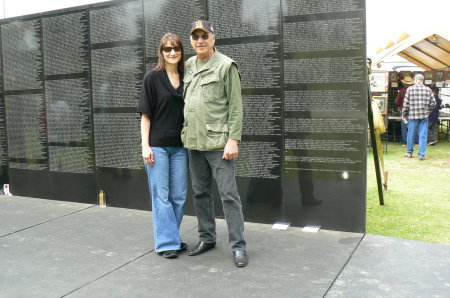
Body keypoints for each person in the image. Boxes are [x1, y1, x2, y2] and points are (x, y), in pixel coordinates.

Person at [182, 20, 248, 267]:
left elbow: (235, 106)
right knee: (200, 193)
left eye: (204, 36)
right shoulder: (188, 65)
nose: (200, 41)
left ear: (213, 39)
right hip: (194, 142)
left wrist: (233, 139)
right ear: (191, 40)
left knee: (229, 195)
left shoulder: (226, 66)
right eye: (195, 37)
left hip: (219, 143)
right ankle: (207, 238)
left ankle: (238, 246)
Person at [137, 33, 188, 259]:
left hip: (181, 147)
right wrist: (145, 146)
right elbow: (145, 115)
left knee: (179, 196)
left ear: (181, 51)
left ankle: (172, 238)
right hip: (158, 146)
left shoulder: (188, 76)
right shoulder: (152, 78)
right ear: (162, 52)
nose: (172, 53)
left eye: (175, 48)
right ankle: (167, 242)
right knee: (161, 196)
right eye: (167, 49)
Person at [402, 74, 436, 160]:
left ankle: (409, 152)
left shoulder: (410, 89)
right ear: (422, 80)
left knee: (411, 134)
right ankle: (421, 155)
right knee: (423, 135)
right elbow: (433, 103)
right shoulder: (428, 89)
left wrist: (404, 113)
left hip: (413, 115)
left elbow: (406, 104)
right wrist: (428, 111)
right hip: (424, 116)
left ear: (416, 80)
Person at [395, 76, 414, 145]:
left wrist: (400, 106)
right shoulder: (414, 90)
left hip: (404, 110)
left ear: (404, 83)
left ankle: (404, 141)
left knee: (404, 126)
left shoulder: (402, 90)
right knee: (413, 125)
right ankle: (413, 141)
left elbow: (396, 101)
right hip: (413, 110)